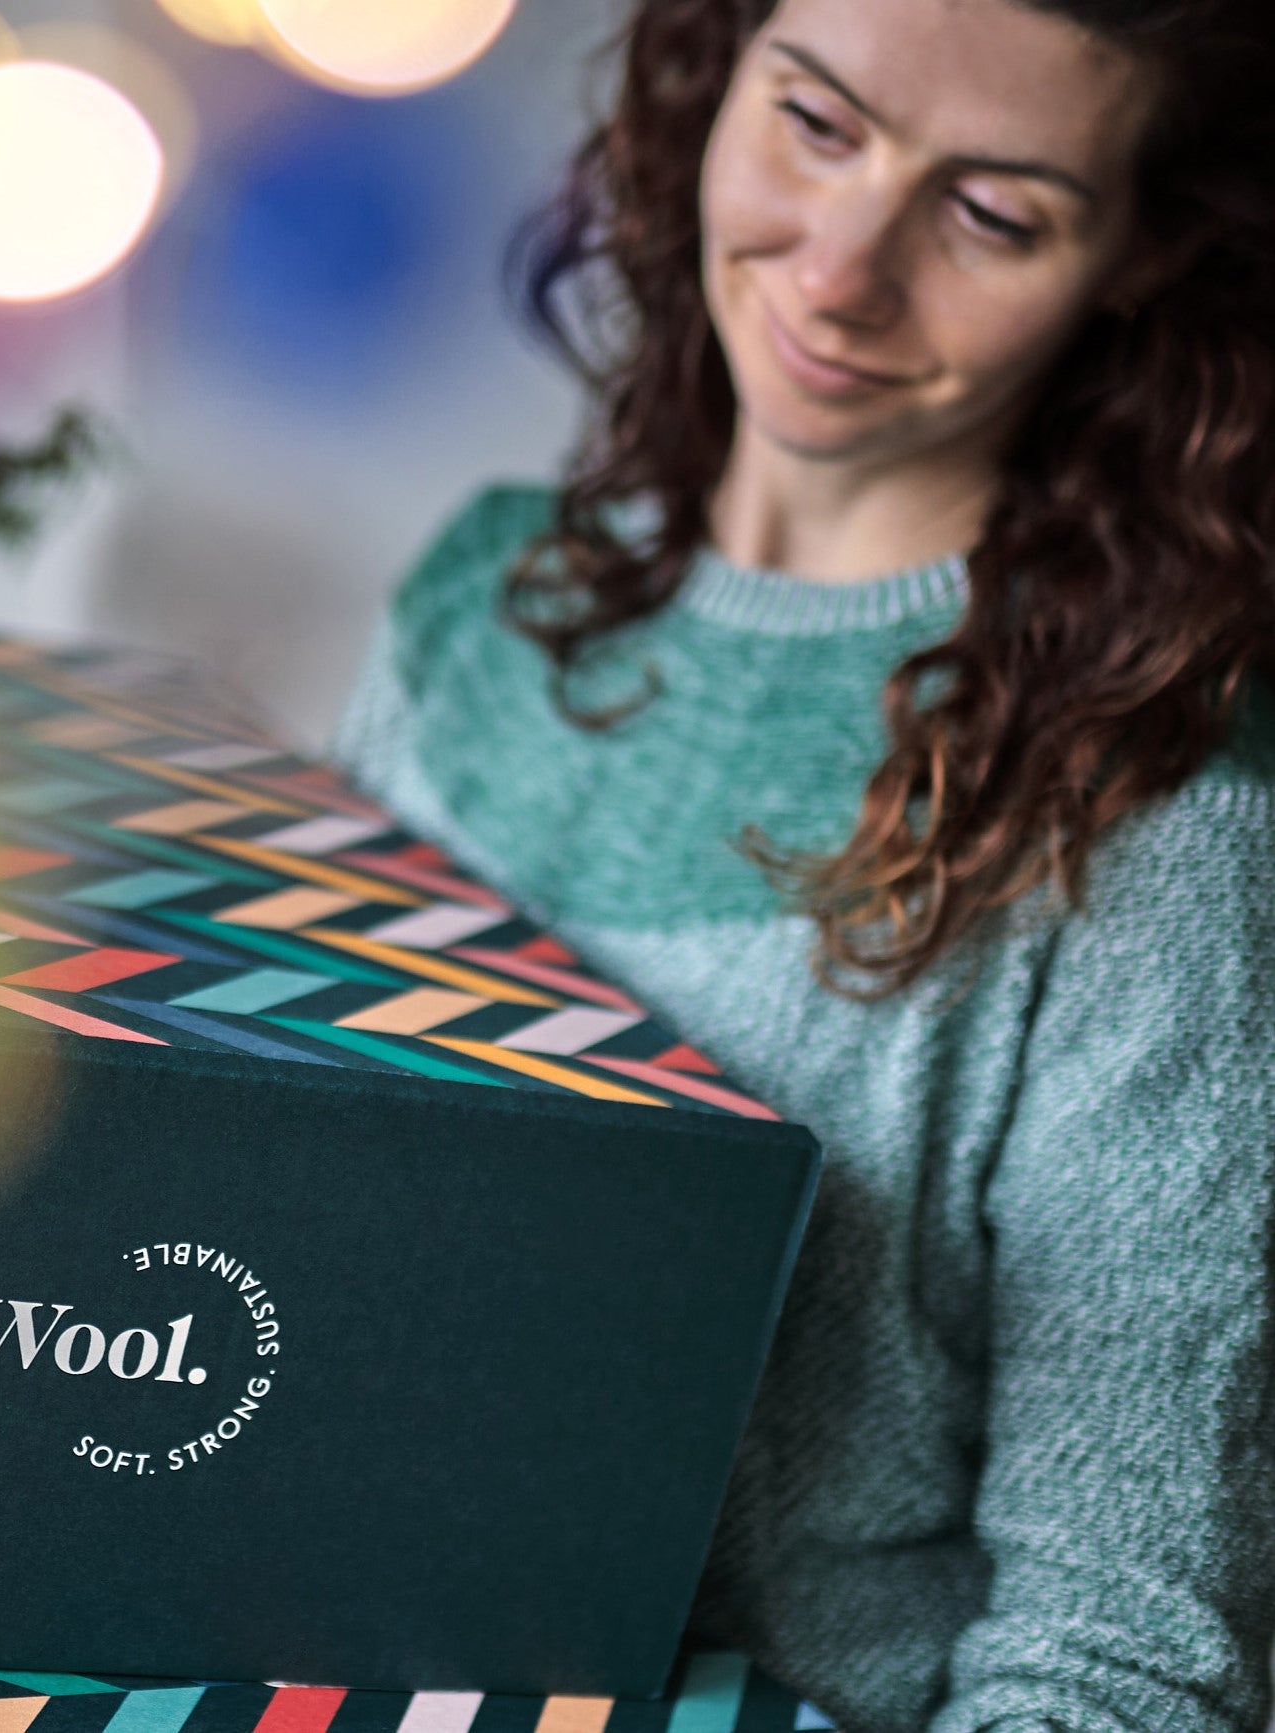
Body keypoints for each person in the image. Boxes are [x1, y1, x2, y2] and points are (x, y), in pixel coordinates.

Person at [329, 1, 1275, 1728]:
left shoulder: (1160, 812)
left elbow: (1118, 1655)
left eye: (990, 216)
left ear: (1138, 255)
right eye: (816, 124)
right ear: (711, 73)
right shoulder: (477, 607)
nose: (839, 271)